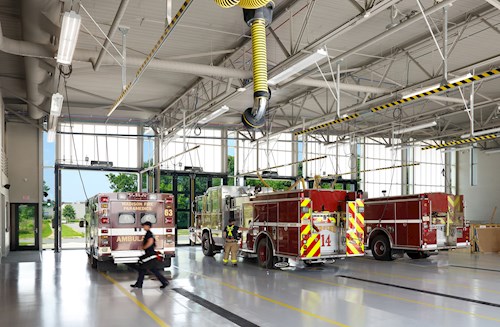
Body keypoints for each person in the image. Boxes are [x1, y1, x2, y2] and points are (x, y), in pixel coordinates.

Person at [131, 221, 169, 289]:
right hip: (149, 254)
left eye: (144, 226)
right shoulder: (148, 233)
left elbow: (150, 241)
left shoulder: (149, 234)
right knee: (146, 269)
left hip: (150, 254)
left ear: (148, 226)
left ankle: (164, 282)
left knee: (143, 268)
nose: (143, 227)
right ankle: (139, 284)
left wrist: (143, 247)